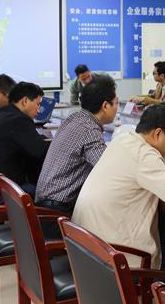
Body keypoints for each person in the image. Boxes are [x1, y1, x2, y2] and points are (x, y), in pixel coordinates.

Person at [72, 105, 165, 267]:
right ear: (158, 133)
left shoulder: (123, 140)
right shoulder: (144, 155)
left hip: (85, 248)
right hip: (114, 259)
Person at [34, 75, 118, 215]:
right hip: (57, 211)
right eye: (116, 103)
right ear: (105, 106)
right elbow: (108, 169)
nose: (117, 108)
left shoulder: (75, 117)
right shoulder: (90, 129)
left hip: (46, 202)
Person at [0, 82, 50, 201]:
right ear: (25, 101)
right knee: (54, 194)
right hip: (1, 193)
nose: (39, 110)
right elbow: (40, 152)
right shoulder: (19, 120)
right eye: (37, 104)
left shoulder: (2, 113)